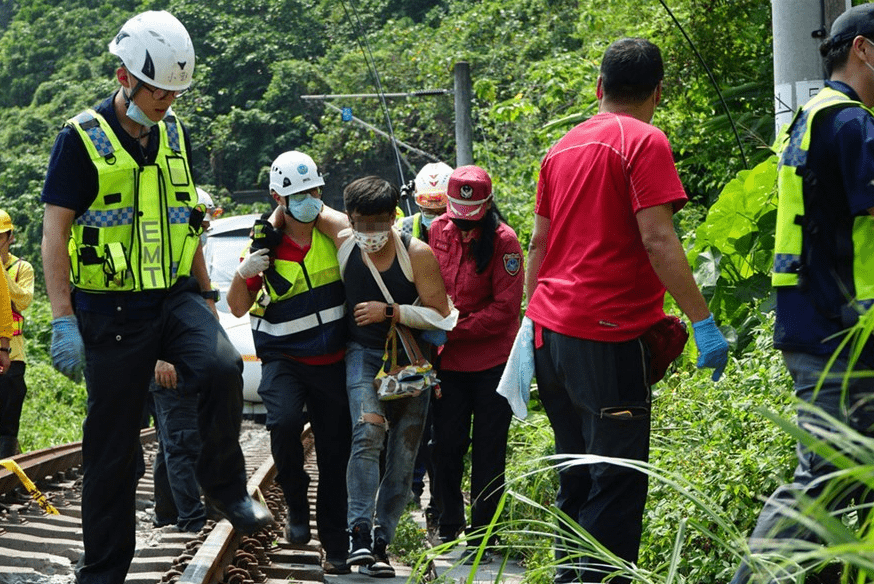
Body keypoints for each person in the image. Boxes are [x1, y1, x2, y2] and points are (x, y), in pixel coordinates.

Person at [39, 11, 271, 584]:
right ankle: (103, 572)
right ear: (124, 77)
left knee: (221, 367)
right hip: (109, 311)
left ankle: (224, 487)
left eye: (174, 93)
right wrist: (62, 317)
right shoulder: (80, 140)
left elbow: (186, 217)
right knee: (111, 452)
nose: (167, 102)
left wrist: (208, 295)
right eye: (158, 91)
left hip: (173, 296)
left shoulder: (175, 133)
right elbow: (54, 234)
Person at [525, 37, 729, 583]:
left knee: (577, 472)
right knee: (615, 479)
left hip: (550, 333)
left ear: (599, 88)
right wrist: (703, 322)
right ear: (658, 92)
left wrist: (529, 321)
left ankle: (570, 577)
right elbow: (659, 240)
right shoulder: (644, 141)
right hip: (606, 336)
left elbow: (538, 245)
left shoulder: (561, 148)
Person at [732, 6, 874, 583]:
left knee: (844, 474)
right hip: (839, 334)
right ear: (864, 50)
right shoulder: (853, 125)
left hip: (820, 325)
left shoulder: (815, 114)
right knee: (826, 475)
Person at [319, 176, 457, 578]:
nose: (372, 233)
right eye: (364, 223)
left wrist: (392, 312)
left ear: (395, 217)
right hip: (362, 354)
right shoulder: (346, 241)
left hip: (412, 361)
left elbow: (443, 315)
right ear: (351, 218)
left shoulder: (417, 254)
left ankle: (383, 541)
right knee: (368, 431)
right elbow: (302, 204)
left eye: (381, 222)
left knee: (403, 452)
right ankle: (358, 533)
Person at [226, 150, 353, 575]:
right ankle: (295, 501)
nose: (308, 199)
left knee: (335, 456)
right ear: (278, 196)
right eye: (297, 193)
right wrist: (246, 271)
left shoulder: (332, 234)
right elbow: (238, 308)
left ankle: (335, 545)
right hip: (282, 356)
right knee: (281, 424)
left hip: (332, 360)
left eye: (313, 190)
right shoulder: (263, 242)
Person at [428, 165, 524, 562]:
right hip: (447, 364)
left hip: (492, 364)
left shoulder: (506, 242)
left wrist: (450, 328)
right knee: (445, 447)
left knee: (489, 451)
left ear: (487, 207)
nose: (465, 231)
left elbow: (505, 310)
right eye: (459, 222)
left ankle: (486, 535)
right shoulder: (436, 232)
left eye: (473, 223)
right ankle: (448, 525)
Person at [397, 162, 453, 521]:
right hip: (413, 339)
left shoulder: (466, 229)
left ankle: (441, 502)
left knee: (444, 425)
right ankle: (411, 491)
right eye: (427, 207)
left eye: (439, 208)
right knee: (414, 418)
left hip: (452, 336)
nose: (432, 215)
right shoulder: (403, 230)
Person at [0, 210, 32, 459]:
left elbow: (22, 301)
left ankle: (6, 465)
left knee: (9, 415)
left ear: (10, 237)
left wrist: (2, 274)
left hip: (14, 351)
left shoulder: (22, 268)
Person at [397, 162, 453, 245]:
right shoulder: (404, 228)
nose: (436, 220)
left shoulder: (464, 231)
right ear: (420, 207)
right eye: (429, 213)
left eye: (443, 213)